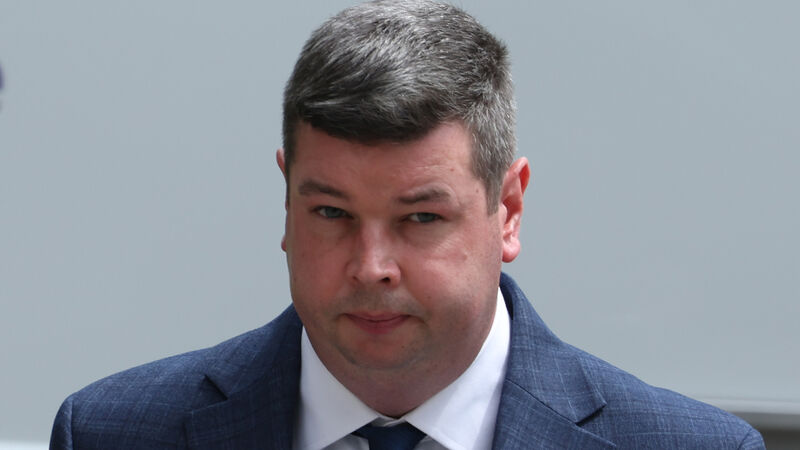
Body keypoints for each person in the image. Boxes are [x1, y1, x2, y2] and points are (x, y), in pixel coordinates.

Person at [50, 1, 764, 448]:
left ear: (509, 211)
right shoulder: (111, 434)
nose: (371, 267)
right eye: (331, 213)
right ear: (287, 202)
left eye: (421, 217)